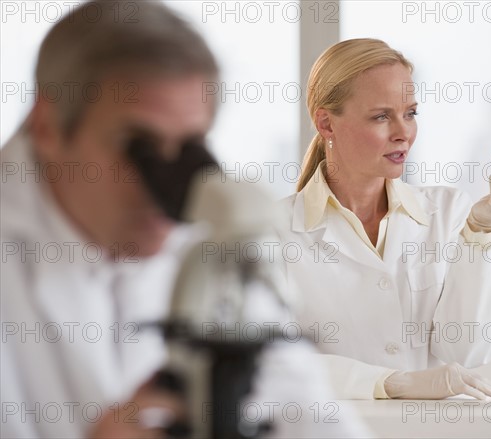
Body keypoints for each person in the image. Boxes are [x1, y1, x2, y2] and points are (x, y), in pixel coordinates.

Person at [1, 3, 369, 438]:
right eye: (139, 146)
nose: (166, 185)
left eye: (191, 147)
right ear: (48, 127)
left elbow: (313, 415)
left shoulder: (208, 248)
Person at [279, 38, 491, 400]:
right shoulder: (274, 231)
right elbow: (273, 363)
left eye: (410, 113)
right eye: (381, 116)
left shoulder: (448, 212)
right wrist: (391, 382)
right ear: (326, 123)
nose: (403, 132)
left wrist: (481, 234)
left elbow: (468, 350)